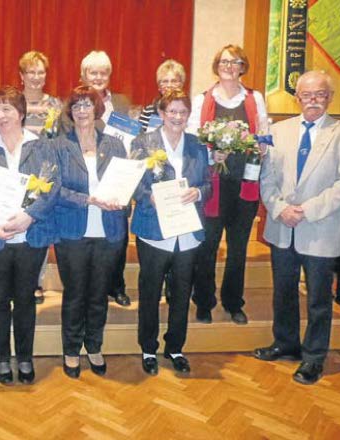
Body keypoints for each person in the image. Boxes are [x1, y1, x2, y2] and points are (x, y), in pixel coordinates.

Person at [254, 71, 340, 385]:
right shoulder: (280, 131)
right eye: (306, 95)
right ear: (297, 97)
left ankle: (314, 357)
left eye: (319, 94)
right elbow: (268, 178)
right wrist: (278, 208)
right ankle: (285, 342)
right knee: (284, 291)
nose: (312, 100)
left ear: (329, 97)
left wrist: (305, 210)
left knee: (318, 298)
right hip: (282, 226)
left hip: (319, 228)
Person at [0, 86, 60, 385]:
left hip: (30, 236)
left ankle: (25, 356)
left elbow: (52, 186)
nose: (1, 115)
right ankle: (1, 358)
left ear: (21, 113)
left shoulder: (42, 146)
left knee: (25, 299)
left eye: (7, 109)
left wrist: (29, 216)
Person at [130, 90, 211, 376]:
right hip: (154, 231)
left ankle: (175, 347)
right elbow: (133, 183)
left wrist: (198, 192)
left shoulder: (197, 145)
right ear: (161, 114)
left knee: (181, 293)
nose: (177, 117)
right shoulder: (143, 143)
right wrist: (147, 196)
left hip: (187, 233)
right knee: (150, 292)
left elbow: (209, 184)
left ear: (188, 116)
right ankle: (148, 347)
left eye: (182, 112)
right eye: (172, 112)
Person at [188, 44, 268, 325]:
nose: (229, 66)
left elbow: (264, 136)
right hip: (212, 185)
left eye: (235, 62)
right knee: (207, 245)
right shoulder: (202, 100)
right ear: (216, 65)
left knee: (238, 247)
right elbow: (192, 141)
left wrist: (259, 146)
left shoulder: (254, 98)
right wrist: (212, 153)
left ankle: (234, 301)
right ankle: (204, 301)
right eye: (224, 61)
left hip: (245, 183)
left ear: (243, 66)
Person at [54, 86, 127, 379]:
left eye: (87, 105)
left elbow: (126, 182)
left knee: (98, 294)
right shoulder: (59, 145)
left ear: (97, 109)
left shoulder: (115, 145)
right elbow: (54, 190)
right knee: (74, 294)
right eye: (77, 105)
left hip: (108, 230)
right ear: (70, 112)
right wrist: (89, 199)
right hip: (72, 230)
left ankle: (94, 345)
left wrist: (122, 196)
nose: (82, 110)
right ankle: (71, 350)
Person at [60, 50, 133, 308]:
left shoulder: (122, 103)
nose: (99, 77)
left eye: (104, 72)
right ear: (83, 75)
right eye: (94, 72)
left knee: (117, 237)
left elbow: (133, 139)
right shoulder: (71, 106)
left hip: (116, 181)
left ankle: (117, 286)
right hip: (84, 185)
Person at [18, 50, 63, 304]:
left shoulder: (55, 104)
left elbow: (57, 141)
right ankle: (17, 281)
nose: (36, 77)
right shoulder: (13, 101)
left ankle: (35, 281)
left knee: (39, 227)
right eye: (31, 72)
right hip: (17, 174)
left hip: (43, 175)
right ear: (21, 75)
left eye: (40, 71)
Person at [138, 60, 186, 133]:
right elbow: (139, 139)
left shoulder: (188, 111)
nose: (169, 85)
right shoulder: (148, 111)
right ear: (159, 87)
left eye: (174, 81)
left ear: (181, 85)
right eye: (165, 81)